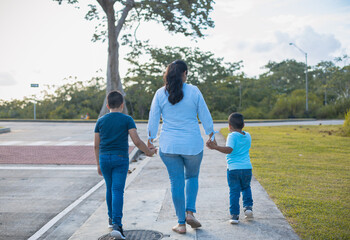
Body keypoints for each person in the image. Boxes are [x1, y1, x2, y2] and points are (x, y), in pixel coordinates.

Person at [147, 60, 215, 234]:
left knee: (176, 182)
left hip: (169, 146)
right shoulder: (194, 91)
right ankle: (190, 212)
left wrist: (150, 139)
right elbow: (205, 114)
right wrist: (211, 134)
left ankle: (181, 224)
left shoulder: (160, 93)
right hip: (192, 145)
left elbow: (153, 119)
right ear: (184, 73)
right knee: (192, 177)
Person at [94, 90, 156, 239]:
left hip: (104, 158)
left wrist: (97, 164)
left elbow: (96, 145)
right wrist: (148, 152)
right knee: (117, 190)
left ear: (108, 105)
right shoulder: (127, 119)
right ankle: (117, 225)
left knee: (109, 188)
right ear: (122, 105)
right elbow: (136, 141)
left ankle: (111, 220)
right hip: (120, 159)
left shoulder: (100, 121)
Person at [206, 112, 253, 224]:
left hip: (233, 169)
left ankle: (234, 215)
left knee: (234, 191)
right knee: (246, 187)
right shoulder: (248, 135)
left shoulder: (232, 136)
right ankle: (248, 208)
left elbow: (229, 149)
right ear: (243, 125)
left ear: (230, 126)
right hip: (247, 168)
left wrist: (215, 147)